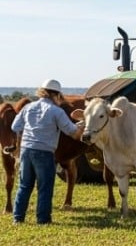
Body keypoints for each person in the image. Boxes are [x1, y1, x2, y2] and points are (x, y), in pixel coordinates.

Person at [10, 79, 82, 225]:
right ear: (57, 95)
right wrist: (83, 125)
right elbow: (72, 132)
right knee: (45, 186)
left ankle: (18, 218)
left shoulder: (28, 107)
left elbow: (15, 126)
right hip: (44, 152)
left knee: (24, 186)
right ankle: (43, 220)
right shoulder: (57, 111)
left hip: (26, 151)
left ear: (42, 92)